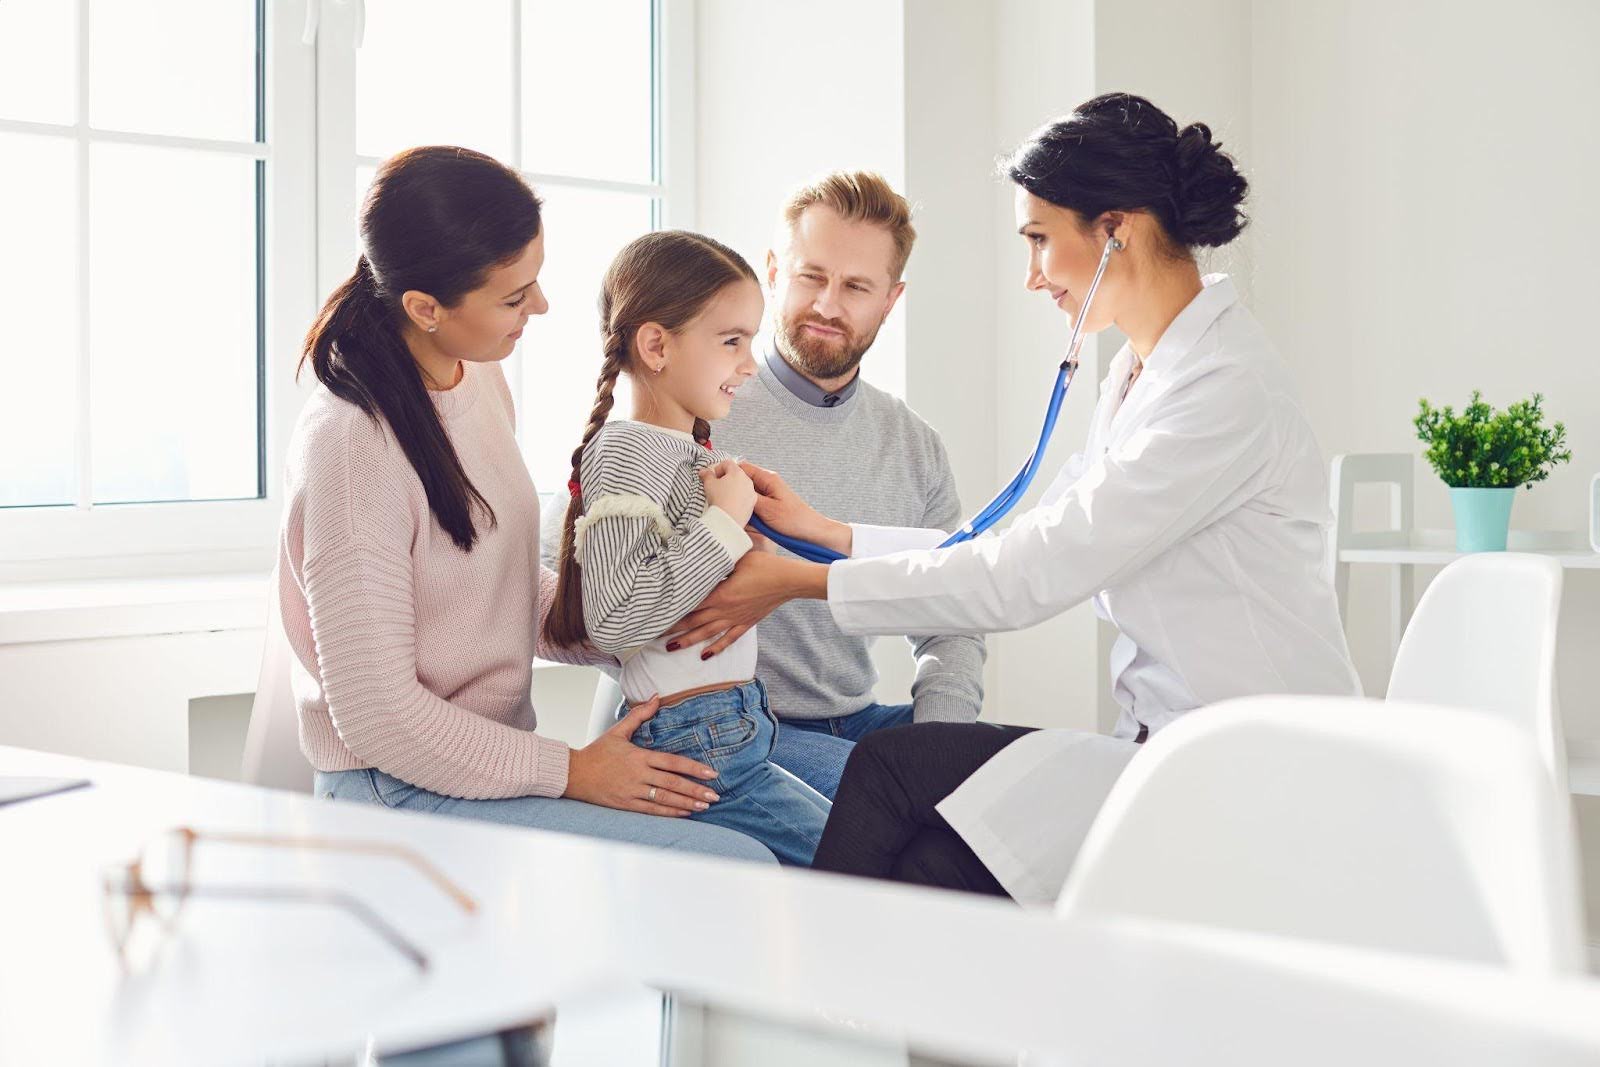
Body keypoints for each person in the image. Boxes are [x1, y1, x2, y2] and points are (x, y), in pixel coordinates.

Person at [667, 94, 1362, 905]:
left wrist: (805, 577)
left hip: (1252, 764)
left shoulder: (1223, 392)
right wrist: (829, 534)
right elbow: (1017, 539)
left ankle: (840, 1002)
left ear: (1114, 232)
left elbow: (1030, 571)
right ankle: (881, 1011)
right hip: (1163, 748)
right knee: (923, 837)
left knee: (902, 779)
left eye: (1039, 240)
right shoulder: (1145, 372)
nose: (1032, 277)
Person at [282, 146, 773, 865]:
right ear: (424, 308)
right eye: (514, 297)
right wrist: (571, 770)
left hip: (481, 770)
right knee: (739, 865)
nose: (540, 306)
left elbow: (499, 585)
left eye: (535, 281)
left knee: (771, 837)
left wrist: (649, 610)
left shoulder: (476, 381)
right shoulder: (353, 451)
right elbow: (379, 719)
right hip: (395, 791)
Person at [543, 230, 831, 866]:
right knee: (859, 864)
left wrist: (745, 539)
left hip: (735, 726)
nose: (751, 364)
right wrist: (724, 526)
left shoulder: (686, 456)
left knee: (856, 854)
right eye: (732, 341)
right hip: (699, 738)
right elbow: (616, 617)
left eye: (751, 341)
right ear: (655, 345)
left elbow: (686, 588)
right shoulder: (624, 451)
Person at [710, 171, 987, 799]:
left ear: (890, 299)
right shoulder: (699, 408)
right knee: (903, 810)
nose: (829, 306)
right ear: (774, 271)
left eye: (857, 286)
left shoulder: (914, 445)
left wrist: (935, 741)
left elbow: (953, 615)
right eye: (812, 276)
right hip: (740, 726)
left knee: (1023, 775)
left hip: (862, 720)